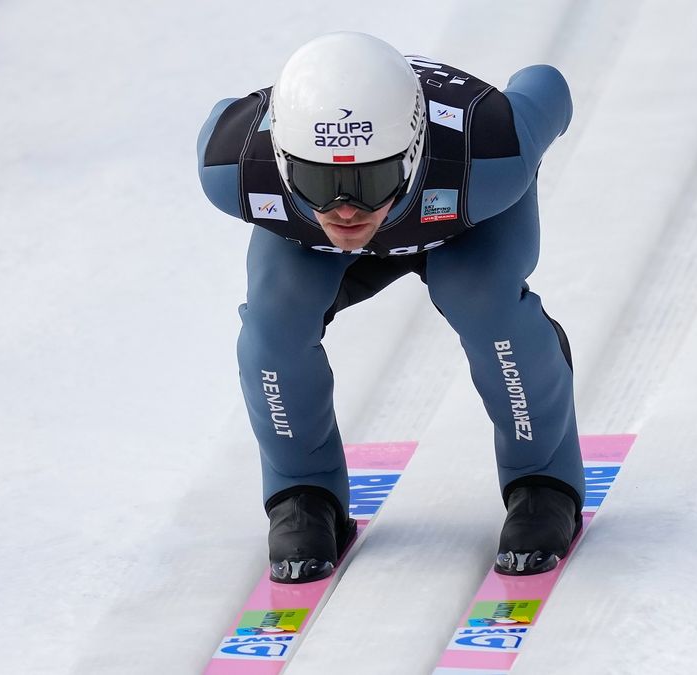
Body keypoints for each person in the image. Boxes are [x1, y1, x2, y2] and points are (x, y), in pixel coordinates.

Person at [196, 32, 585, 583]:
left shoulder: (490, 148)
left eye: (370, 179)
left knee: (481, 300)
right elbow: (224, 118)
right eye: (317, 180)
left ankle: (543, 480)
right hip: (359, 226)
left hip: (463, 218)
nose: (346, 211)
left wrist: (313, 199)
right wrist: (371, 191)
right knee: (273, 323)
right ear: (280, 160)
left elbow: (545, 88)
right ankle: (301, 494)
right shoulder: (232, 164)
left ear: (413, 150)